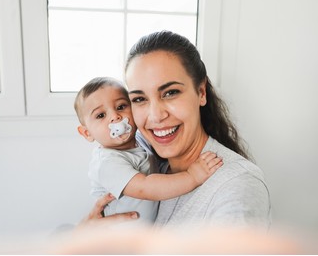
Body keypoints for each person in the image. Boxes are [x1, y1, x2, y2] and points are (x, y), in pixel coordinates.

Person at [83, 31, 271, 230]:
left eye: (170, 93)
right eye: (139, 99)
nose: (156, 116)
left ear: (201, 92)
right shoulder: (140, 151)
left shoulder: (237, 187)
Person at [74, 76, 223, 223]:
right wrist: (192, 177)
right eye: (101, 115)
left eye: (121, 107)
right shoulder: (106, 163)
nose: (115, 117)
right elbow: (145, 188)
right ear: (87, 133)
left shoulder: (140, 139)